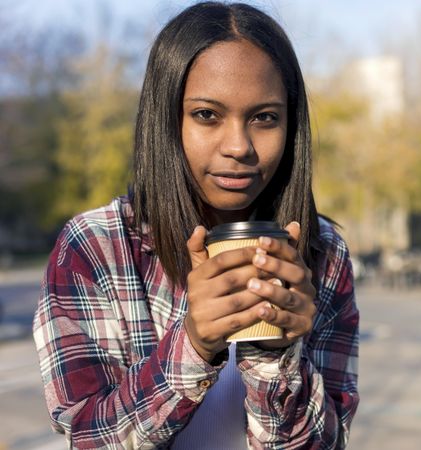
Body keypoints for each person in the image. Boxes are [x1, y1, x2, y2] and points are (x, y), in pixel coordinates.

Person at [32, 2, 359, 449]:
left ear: (291, 125)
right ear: (166, 120)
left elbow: (328, 443)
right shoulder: (95, 248)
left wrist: (278, 354)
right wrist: (194, 343)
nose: (239, 146)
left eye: (265, 117)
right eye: (207, 115)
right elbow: (89, 438)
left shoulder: (322, 253)